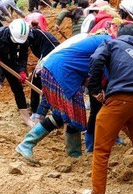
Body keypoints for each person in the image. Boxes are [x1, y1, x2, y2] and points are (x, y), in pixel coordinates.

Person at [82, 23, 133, 194]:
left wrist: (95, 88)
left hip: (120, 99)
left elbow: (96, 59)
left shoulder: (111, 44)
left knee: (102, 148)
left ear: (118, 35)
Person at [15, 32, 112, 164]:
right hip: (62, 73)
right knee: (74, 113)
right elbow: (102, 67)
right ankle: (73, 153)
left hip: (53, 68)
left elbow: (90, 69)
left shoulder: (97, 39)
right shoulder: (108, 42)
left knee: (63, 115)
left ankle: (29, 144)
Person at [0, 19, 33, 126]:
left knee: (17, 88)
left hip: (9, 60)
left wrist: (22, 70)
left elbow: (22, 56)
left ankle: (26, 118)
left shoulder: (24, 39)